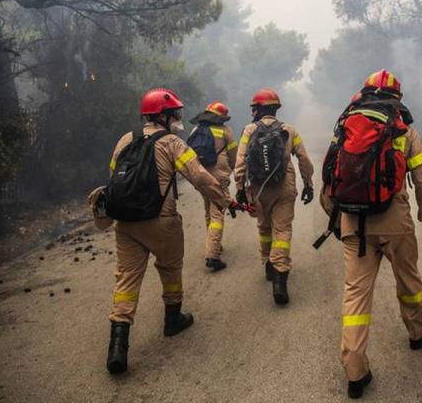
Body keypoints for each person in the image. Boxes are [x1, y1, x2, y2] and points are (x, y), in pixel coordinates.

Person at [89, 88, 237, 375]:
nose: (179, 117)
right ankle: (173, 320)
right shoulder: (172, 143)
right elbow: (200, 179)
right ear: (164, 116)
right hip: (161, 220)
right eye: (175, 113)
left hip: (127, 223)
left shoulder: (124, 140)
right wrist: (227, 200)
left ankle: (118, 347)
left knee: (126, 280)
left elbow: (113, 177)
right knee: (170, 269)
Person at [319, 70, 422, 399]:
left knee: (356, 295)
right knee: (408, 280)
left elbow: (329, 174)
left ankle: (355, 370)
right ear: (397, 99)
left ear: (365, 92)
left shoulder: (346, 123)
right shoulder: (404, 130)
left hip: (352, 222)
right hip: (394, 220)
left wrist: (335, 215)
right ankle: (417, 332)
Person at [234, 88, 314, 305]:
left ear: (258, 110)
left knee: (264, 227)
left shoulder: (249, 131)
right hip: (284, 186)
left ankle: (268, 263)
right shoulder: (290, 130)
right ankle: (280, 276)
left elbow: (240, 163)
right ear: (275, 109)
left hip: (258, 188)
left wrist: (240, 188)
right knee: (283, 229)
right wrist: (308, 183)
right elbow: (304, 160)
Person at [187, 101, 238, 271]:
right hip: (219, 178)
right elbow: (233, 156)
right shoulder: (225, 131)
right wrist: (234, 172)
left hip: (201, 177)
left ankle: (214, 244)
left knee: (208, 211)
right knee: (217, 214)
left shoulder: (196, 130)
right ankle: (212, 255)